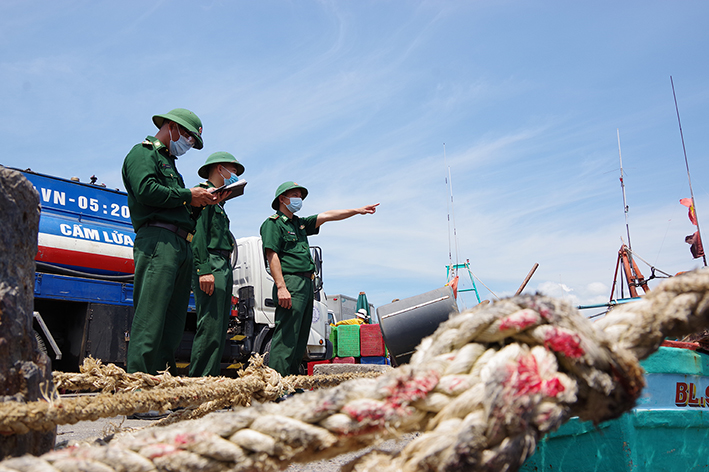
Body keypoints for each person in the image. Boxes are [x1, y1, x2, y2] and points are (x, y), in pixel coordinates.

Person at [122, 108, 223, 376]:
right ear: (172, 126)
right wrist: (188, 195)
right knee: (151, 317)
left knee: (173, 322)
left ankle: (162, 385)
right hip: (158, 241)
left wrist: (202, 202)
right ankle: (139, 388)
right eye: (188, 136)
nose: (188, 143)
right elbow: (146, 190)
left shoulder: (170, 165)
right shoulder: (143, 153)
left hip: (181, 243)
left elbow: (179, 208)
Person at [260, 181, 379, 377]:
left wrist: (357, 211)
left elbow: (327, 216)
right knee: (287, 336)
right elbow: (272, 255)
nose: (299, 199)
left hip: (306, 284)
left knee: (300, 337)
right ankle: (276, 384)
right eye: (295, 195)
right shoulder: (273, 224)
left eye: (300, 196)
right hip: (291, 282)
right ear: (282, 199)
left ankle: (291, 382)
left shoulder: (299, 224)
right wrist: (281, 286)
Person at [189, 152, 245, 377]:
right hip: (211, 261)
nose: (234, 176)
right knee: (210, 326)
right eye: (233, 171)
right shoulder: (203, 194)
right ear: (220, 168)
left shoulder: (218, 202)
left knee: (219, 327)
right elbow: (199, 233)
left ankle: (209, 380)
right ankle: (199, 385)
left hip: (222, 262)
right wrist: (204, 269)